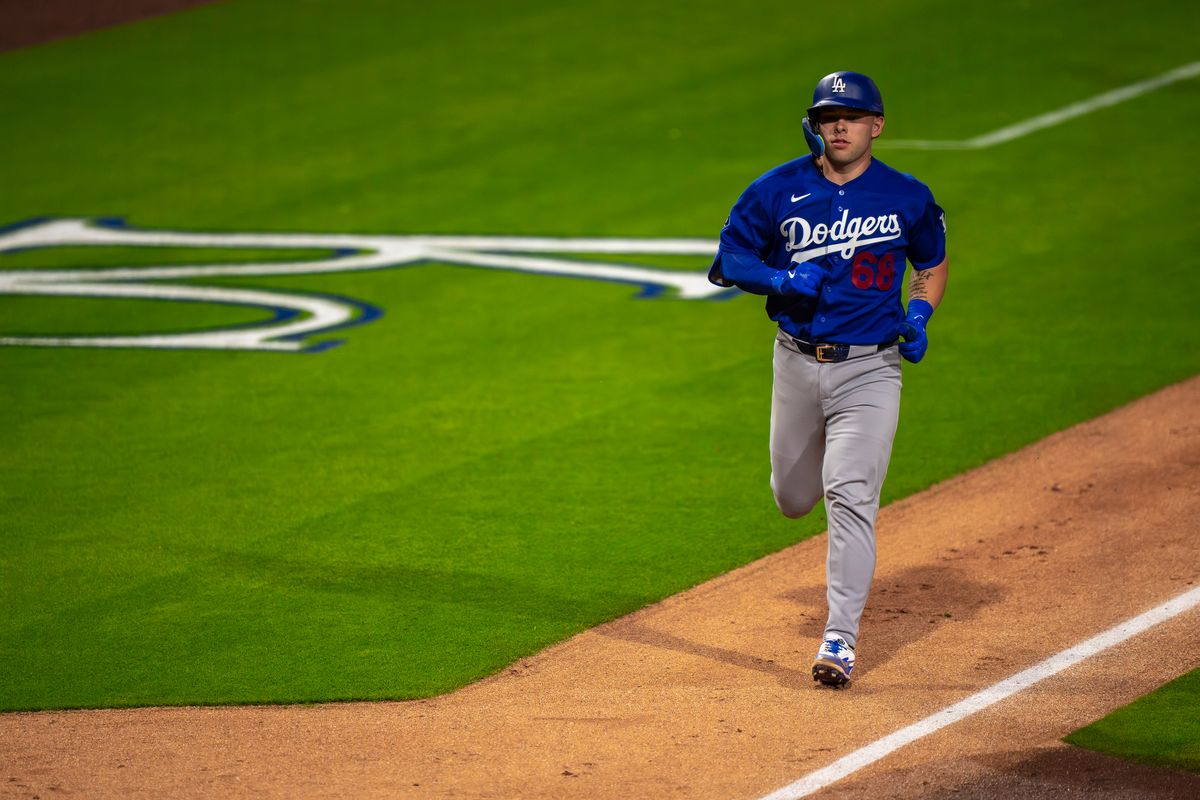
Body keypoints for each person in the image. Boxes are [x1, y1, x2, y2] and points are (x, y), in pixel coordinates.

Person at [708, 71, 948, 688]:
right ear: (815, 125)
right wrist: (780, 281)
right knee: (793, 500)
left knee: (849, 494)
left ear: (877, 124)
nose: (838, 126)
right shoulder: (776, 189)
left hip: (870, 367)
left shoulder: (906, 195)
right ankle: (825, 474)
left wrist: (918, 313)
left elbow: (931, 262)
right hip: (794, 361)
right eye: (827, 116)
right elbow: (729, 259)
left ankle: (840, 638)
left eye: (851, 115)